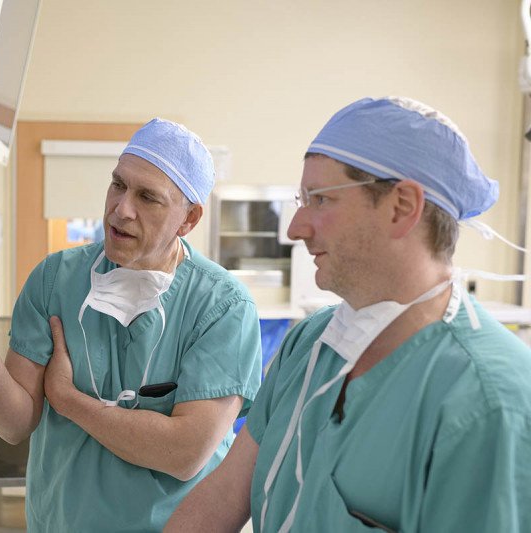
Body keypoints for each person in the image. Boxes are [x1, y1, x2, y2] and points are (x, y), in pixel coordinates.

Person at [165, 97, 531, 533]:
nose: (295, 228)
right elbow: (220, 500)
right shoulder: (313, 343)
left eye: (319, 199)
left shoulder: (489, 401)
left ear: (402, 207)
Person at [0, 118, 263, 532]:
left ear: (188, 219)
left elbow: (184, 454)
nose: (121, 209)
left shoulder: (222, 307)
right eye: (118, 185)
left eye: (148, 197)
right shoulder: (56, 279)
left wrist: (68, 400)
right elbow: (14, 425)